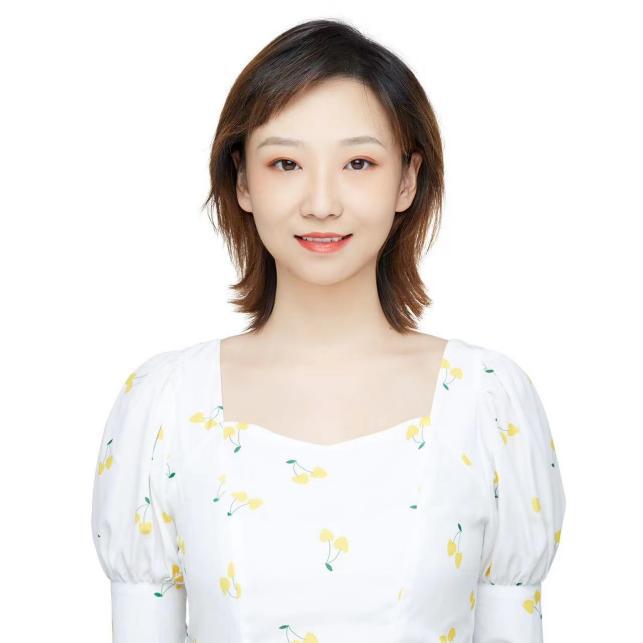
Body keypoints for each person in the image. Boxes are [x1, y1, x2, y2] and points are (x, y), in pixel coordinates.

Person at [91, 18, 566, 643]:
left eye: (358, 163)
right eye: (286, 163)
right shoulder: (165, 406)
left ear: (407, 179)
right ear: (242, 180)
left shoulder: (488, 403)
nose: (321, 203)